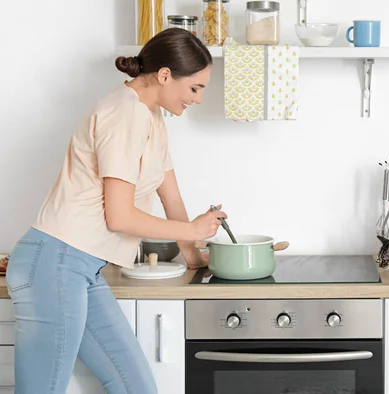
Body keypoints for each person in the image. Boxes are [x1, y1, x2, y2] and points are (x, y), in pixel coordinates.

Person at [6, 28, 226, 394]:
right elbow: (119, 217)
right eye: (195, 88)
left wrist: (193, 255)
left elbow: (170, 196)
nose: (199, 99)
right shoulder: (124, 114)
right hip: (56, 263)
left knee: (135, 386)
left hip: (80, 268)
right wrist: (194, 231)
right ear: (165, 75)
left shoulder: (151, 117)